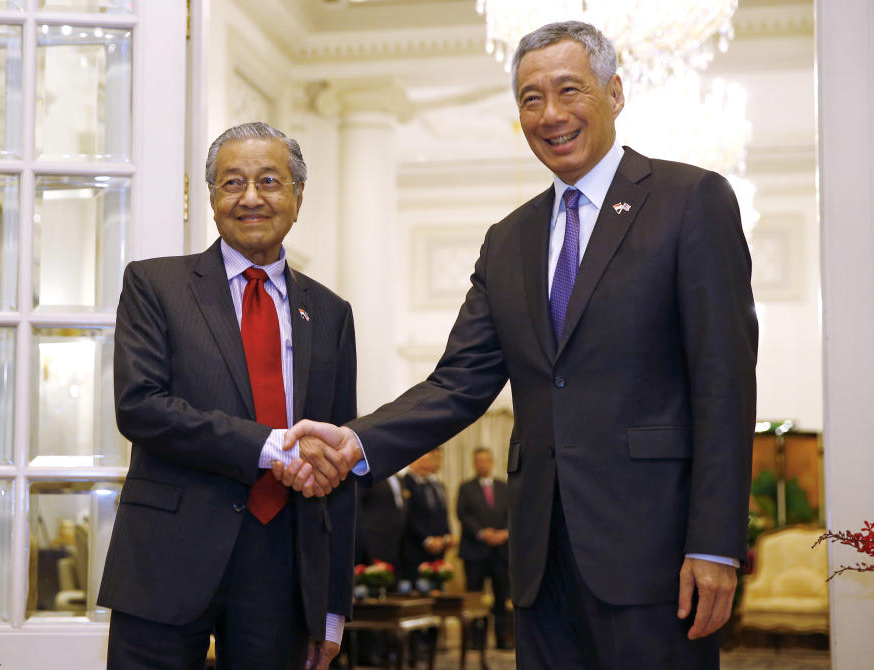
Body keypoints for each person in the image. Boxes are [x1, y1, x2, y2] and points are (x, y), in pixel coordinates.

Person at [278, 19, 757, 670]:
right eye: (531, 99)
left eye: (569, 90)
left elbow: (724, 386)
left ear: (614, 93)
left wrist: (716, 544)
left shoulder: (690, 200)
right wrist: (356, 442)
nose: (551, 114)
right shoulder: (508, 239)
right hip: (539, 562)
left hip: (654, 554)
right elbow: (457, 383)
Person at [98, 121, 357, 670]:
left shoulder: (331, 313)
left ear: (297, 196)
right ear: (212, 198)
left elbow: (339, 464)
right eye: (232, 183)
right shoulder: (155, 286)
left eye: (269, 181)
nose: (252, 198)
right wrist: (269, 447)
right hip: (165, 559)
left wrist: (331, 607)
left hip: (281, 567)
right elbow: (139, 406)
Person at [456, 447, 511, 650]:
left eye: (487, 460)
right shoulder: (466, 487)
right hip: (475, 553)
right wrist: (482, 533)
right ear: (474, 463)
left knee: (501, 598)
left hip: (501, 552)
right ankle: (476, 640)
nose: (483, 464)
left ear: (492, 462)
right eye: (479, 461)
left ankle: (501, 639)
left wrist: (505, 533)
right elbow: (462, 514)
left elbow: (513, 513)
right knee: (475, 600)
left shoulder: (504, 486)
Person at [400, 447, 454, 582]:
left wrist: (446, 535)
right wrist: (427, 539)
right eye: (421, 460)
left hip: (438, 547)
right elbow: (409, 516)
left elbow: (443, 512)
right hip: (415, 547)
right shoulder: (405, 483)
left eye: (428, 460)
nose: (425, 464)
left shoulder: (436, 484)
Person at [356, 474, 407, 577]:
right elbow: (359, 505)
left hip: (395, 535)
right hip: (374, 535)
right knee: (375, 575)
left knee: (392, 575)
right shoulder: (371, 476)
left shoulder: (399, 479)